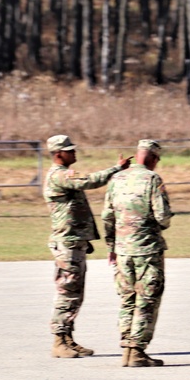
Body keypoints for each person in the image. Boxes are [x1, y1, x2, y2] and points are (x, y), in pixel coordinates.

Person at [44, 134, 129, 359]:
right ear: (58, 154)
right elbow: (89, 181)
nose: (74, 153)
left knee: (75, 293)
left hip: (74, 241)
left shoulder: (63, 175)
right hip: (67, 243)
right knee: (68, 292)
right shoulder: (59, 175)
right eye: (70, 150)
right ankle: (59, 340)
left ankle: (67, 339)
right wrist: (115, 169)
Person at [102, 139, 173, 367]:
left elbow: (107, 216)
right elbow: (163, 216)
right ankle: (137, 350)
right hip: (147, 250)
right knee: (147, 299)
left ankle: (126, 349)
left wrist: (112, 246)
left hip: (122, 251)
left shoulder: (117, 178)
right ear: (152, 158)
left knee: (127, 298)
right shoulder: (152, 179)